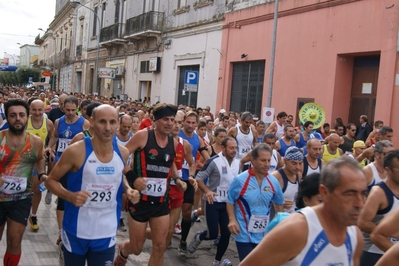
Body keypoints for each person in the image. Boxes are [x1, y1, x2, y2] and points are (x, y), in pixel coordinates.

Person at [45, 105, 139, 266]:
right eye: (102, 122)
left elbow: (116, 176)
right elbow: (50, 180)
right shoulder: (76, 151)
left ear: (117, 124)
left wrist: (128, 189)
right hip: (76, 230)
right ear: (92, 122)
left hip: (106, 231)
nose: (108, 128)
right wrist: (70, 196)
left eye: (112, 122)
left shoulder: (123, 153)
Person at [239, 156, 367, 266]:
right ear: (325, 193)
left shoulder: (355, 236)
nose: (360, 203)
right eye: (350, 194)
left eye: (363, 193)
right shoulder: (297, 229)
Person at [114, 103, 187, 266]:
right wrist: (133, 178)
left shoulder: (173, 143)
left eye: (172, 120)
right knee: (137, 247)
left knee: (160, 246)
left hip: (161, 202)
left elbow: (171, 164)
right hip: (140, 202)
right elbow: (119, 157)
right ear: (155, 121)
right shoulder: (143, 136)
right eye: (166, 120)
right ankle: (124, 250)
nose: (170, 123)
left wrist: (178, 180)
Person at [0, 99, 47, 266]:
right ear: (7, 117)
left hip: (21, 199)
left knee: (14, 241)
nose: (17, 119)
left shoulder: (35, 142)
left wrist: (42, 174)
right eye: (13, 115)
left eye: (21, 115)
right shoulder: (0, 139)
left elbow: (40, 159)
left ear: (27, 117)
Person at [227, 143, 285, 261]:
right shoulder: (239, 180)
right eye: (263, 160)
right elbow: (230, 200)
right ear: (253, 160)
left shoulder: (273, 182)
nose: (267, 164)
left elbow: (279, 204)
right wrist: (232, 219)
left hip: (264, 234)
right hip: (243, 233)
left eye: (268, 160)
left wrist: (280, 224)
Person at [188, 137, 240, 266]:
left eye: (235, 148)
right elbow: (199, 178)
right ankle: (199, 237)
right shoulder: (214, 161)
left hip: (228, 204)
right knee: (212, 233)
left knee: (226, 234)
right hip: (213, 201)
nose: (234, 150)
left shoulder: (238, 162)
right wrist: (207, 191)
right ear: (223, 148)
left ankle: (217, 261)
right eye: (231, 148)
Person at [45, 96, 90, 246]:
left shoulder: (84, 123)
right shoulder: (59, 122)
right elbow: (55, 137)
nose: (70, 113)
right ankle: (61, 232)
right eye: (67, 110)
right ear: (63, 108)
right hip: (60, 163)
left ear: (77, 108)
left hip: (76, 166)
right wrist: (49, 147)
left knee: (76, 197)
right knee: (63, 201)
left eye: (73, 110)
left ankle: (76, 227)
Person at [357, 149, 399, 265]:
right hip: (373, 252)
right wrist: (389, 231)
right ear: (387, 170)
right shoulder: (378, 192)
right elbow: (362, 223)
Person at [177, 110, 209, 256]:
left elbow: (208, 159)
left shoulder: (198, 139)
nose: (190, 125)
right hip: (174, 179)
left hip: (189, 179)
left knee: (187, 212)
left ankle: (183, 241)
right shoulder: (177, 135)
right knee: (171, 213)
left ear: (197, 124)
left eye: (193, 123)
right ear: (183, 121)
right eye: (188, 122)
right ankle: (167, 234)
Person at [26, 99, 54, 232]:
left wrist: (49, 147)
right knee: (23, 189)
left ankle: (34, 215)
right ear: (30, 110)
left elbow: (54, 136)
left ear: (44, 109)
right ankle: (21, 212)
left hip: (39, 160)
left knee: (37, 190)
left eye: (40, 110)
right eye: (34, 110)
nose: (37, 113)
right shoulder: (25, 121)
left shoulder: (48, 123)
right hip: (23, 161)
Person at [271, 147, 303, 213]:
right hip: (278, 218)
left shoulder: (299, 175)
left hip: (293, 217)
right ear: (285, 161)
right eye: (294, 163)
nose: (298, 167)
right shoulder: (276, 177)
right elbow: (263, 200)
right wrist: (278, 201)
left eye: (300, 163)